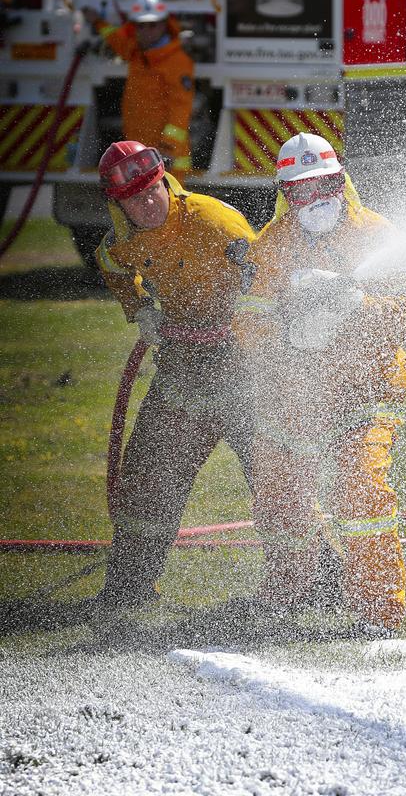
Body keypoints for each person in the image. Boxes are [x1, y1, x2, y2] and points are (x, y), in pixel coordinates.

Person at [236, 132, 406, 637]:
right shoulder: (271, 247)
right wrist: (290, 332)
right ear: (285, 195)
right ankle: (288, 593)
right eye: (300, 191)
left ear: (341, 182)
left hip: (367, 391)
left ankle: (379, 616)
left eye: (323, 186)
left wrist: (356, 307)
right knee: (276, 490)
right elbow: (248, 323)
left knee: (360, 493)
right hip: (294, 393)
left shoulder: (376, 235)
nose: (314, 200)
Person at [94, 140, 258, 607]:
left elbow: (264, 276)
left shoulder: (212, 221)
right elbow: (111, 266)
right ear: (118, 203)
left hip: (244, 365)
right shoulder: (122, 240)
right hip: (182, 368)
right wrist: (141, 308)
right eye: (134, 198)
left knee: (274, 477)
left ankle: (316, 578)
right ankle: (128, 590)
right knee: (149, 477)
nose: (147, 203)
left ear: (164, 180)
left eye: (152, 191)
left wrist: (245, 327)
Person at [82, 0, 194, 183]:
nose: (146, 30)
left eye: (153, 25)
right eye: (141, 26)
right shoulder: (137, 53)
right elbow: (116, 40)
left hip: (167, 158)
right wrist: (98, 22)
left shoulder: (177, 61)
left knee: (170, 209)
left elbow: (181, 108)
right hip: (140, 153)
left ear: (164, 24)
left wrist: (168, 149)